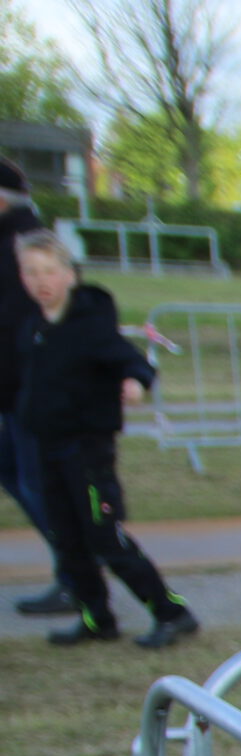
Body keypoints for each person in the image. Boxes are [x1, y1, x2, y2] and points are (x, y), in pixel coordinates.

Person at [16, 229, 196, 647]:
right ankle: (97, 619)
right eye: (31, 272)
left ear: (69, 274)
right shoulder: (32, 328)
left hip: (86, 451)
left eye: (49, 271)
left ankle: (172, 613)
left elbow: (133, 361)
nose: (41, 281)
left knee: (105, 538)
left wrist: (135, 382)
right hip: (47, 447)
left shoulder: (91, 325)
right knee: (67, 539)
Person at [0, 159, 62, 615]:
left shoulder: (24, 246)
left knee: (39, 484)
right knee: (16, 472)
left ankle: (77, 574)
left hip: (31, 387)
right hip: (18, 386)